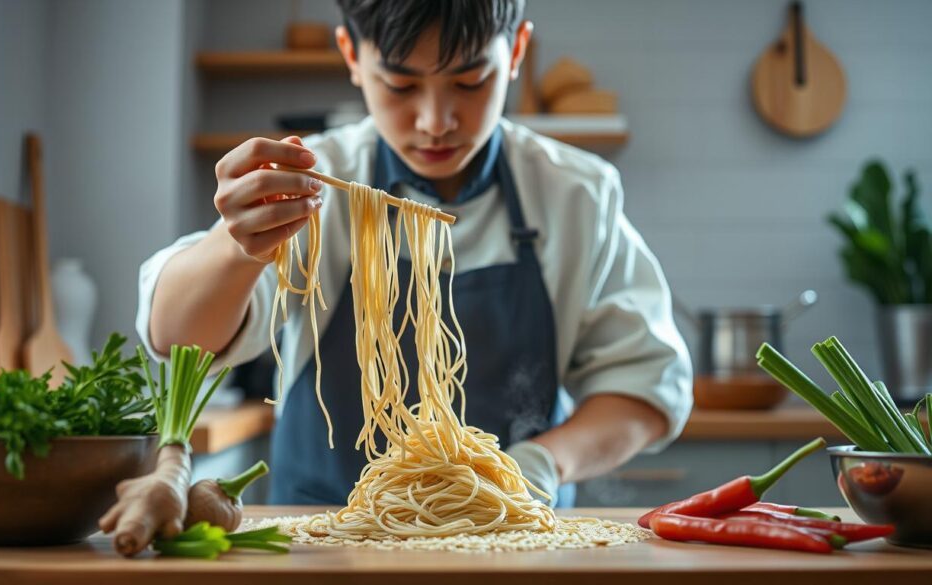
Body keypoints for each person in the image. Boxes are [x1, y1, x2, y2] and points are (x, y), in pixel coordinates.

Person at [136, 0, 692, 507]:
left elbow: (646, 386)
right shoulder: (315, 182)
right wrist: (235, 247)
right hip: (326, 539)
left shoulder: (575, 194)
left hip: (514, 537)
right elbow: (177, 335)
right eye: (400, 87)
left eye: (471, 81)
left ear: (517, 50)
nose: (436, 122)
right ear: (352, 56)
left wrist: (542, 464)